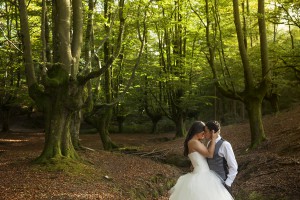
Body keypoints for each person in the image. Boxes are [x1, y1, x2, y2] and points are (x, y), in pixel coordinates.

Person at [169, 121, 233, 200]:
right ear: (197, 131)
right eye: (203, 132)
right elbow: (209, 154)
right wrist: (213, 139)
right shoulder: (194, 142)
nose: (204, 134)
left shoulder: (194, 142)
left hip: (202, 172)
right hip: (202, 174)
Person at [204, 120, 238, 196]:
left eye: (206, 131)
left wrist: (227, 184)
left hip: (222, 183)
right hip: (210, 184)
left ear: (212, 132)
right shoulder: (209, 143)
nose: (204, 134)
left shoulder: (225, 145)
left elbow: (233, 167)